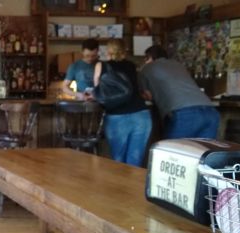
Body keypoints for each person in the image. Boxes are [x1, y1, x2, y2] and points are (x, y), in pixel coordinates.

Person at [90, 39, 152, 167]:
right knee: (135, 163)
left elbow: (98, 92)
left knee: (118, 163)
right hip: (141, 115)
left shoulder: (101, 65)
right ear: (124, 50)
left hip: (117, 117)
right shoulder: (132, 66)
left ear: (108, 50)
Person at [140, 45, 219, 139]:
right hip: (211, 111)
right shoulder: (178, 65)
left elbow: (148, 96)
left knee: (172, 148)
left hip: (185, 113)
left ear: (149, 57)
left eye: (146, 58)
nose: (144, 61)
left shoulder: (147, 68)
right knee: (201, 148)